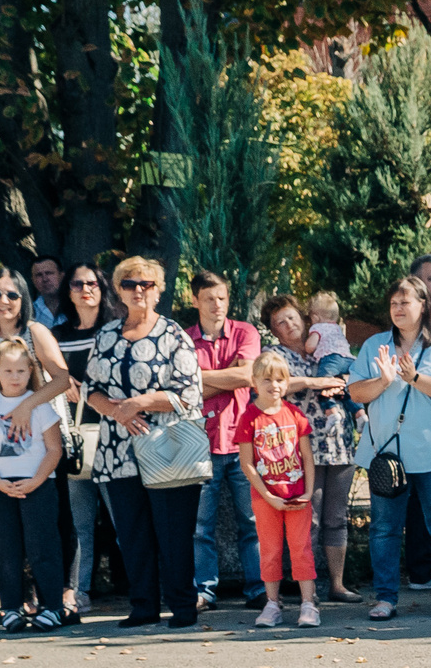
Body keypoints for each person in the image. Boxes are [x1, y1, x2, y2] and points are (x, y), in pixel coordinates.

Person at [85, 256, 205, 630]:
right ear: (119, 290)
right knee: (132, 535)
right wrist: (117, 411)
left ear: (158, 290)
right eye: (130, 284)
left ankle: (183, 607)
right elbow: (90, 389)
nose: (138, 290)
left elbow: (188, 393)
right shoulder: (105, 335)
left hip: (165, 446)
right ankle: (143, 607)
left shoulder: (173, 335)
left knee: (173, 534)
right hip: (117, 452)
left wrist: (137, 403)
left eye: (146, 284)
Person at [349, 277, 431, 621]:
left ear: (423, 306)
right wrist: (384, 380)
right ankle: (385, 598)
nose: (399, 309)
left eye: (406, 302)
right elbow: (356, 393)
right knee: (384, 528)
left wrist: (415, 377)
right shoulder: (374, 345)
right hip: (387, 456)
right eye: (394, 304)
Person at [259, 294, 359, 604]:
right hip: (303, 449)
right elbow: (279, 386)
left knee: (336, 517)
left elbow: (353, 377)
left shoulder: (328, 344)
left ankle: (338, 584)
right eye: (280, 322)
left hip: (339, 442)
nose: (288, 325)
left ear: (304, 318)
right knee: (309, 520)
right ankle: (308, 588)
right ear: (274, 331)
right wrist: (316, 382)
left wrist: (341, 379)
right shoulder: (274, 355)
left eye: (291, 317)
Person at [0, 339, 67, 632]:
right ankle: (11, 608)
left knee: (43, 548)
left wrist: (37, 480)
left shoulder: (40, 405)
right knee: (6, 550)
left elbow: (54, 449)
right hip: (1, 488)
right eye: (9, 371)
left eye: (21, 371)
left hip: (37, 485)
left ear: (31, 372)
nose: (15, 377)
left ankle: (52, 607)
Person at [183, 269, 264, 613]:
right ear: (195, 300)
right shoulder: (184, 339)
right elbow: (181, 386)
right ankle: (205, 591)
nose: (217, 305)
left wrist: (201, 380)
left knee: (252, 521)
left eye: (222, 298)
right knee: (200, 526)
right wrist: (227, 377)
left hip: (243, 441)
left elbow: (248, 375)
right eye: (209, 298)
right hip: (201, 443)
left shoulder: (245, 332)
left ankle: (260, 588)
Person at [49, 264, 118, 623]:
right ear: (68, 290)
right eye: (77, 284)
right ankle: (80, 592)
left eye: (92, 283)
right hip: (75, 441)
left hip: (116, 437)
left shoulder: (116, 330)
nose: (85, 289)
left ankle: (145, 589)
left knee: (125, 520)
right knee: (80, 526)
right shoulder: (55, 335)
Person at [237, 353, 320, 628]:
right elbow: (247, 464)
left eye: (280, 379)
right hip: (266, 499)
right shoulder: (249, 418)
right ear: (254, 382)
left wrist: (308, 492)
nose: (274, 385)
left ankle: (308, 604)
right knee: (270, 550)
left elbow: (307, 457)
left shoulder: (295, 415)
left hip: (298, 497)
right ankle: (272, 604)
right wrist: (268, 496)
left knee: (301, 549)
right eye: (267, 379)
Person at [305, 291, 351, 364]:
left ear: (315, 318)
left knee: (324, 375)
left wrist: (306, 347)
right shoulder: (337, 328)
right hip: (347, 358)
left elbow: (310, 346)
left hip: (330, 359)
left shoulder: (318, 327)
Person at [28, 256, 65, 328]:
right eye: (39, 275)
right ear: (33, 280)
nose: (45, 279)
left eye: (49, 273)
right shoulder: (30, 312)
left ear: (62, 276)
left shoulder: (77, 306)